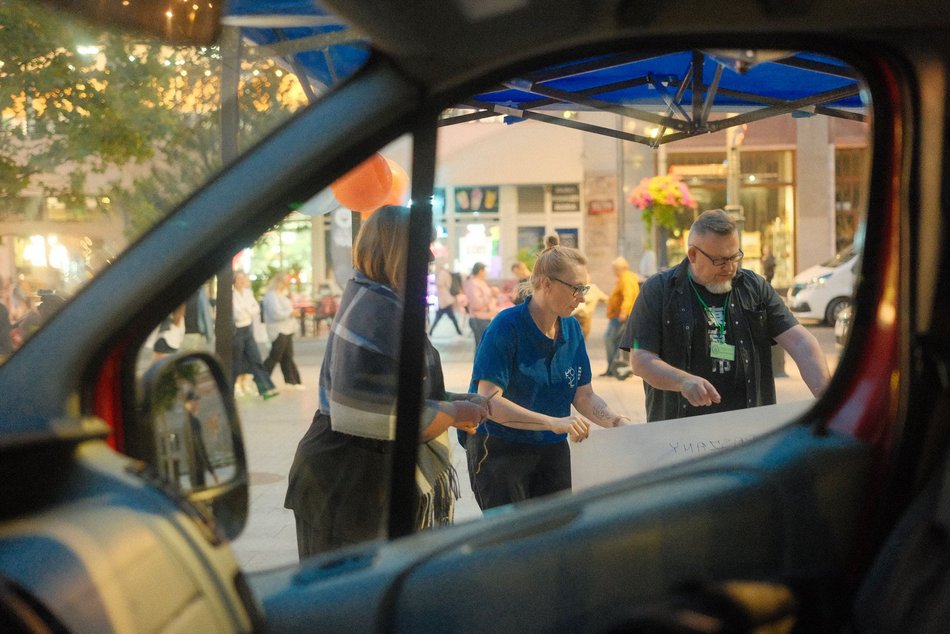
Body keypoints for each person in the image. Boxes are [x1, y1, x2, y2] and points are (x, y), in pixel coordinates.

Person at [284, 205, 489, 558]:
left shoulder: (379, 298)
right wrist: (455, 410)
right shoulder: (377, 310)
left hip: (358, 482)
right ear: (396, 250)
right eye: (421, 247)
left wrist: (459, 403)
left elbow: (400, 389)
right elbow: (364, 411)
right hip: (349, 487)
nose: (428, 257)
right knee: (355, 604)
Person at [465, 234, 631, 511]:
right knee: (512, 543)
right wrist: (552, 422)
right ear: (546, 284)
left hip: (551, 448)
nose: (581, 298)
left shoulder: (572, 329)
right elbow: (489, 402)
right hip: (499, 450)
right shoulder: (506, 326)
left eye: (584, 289)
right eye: (575, 289)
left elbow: (584, 396)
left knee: (555, 536)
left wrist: (615, 421)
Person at [620, 209, 831, 423]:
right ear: (693, 254)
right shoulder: (658, 290)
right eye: (720, 260)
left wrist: (828, 398)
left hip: (748, 425)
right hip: (679, 433)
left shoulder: (754, 287)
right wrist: (683, 381)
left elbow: (801, 342)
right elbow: (641, 360)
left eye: (734, 257)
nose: (730, 268)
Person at [232, 270, 279, 400]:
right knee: (236, 362)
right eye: (238, 279)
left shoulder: (248, 293)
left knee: (256, 358)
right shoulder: (231, 295)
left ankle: (266, 388)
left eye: (243, 279)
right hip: (237, 332)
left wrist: (246, 311)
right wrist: (248, 310)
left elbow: (256, 309)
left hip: (248, 329)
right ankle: (230, 389)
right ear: (234, 281)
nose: (241, 281)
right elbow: (237, 313)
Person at [262, 273, 304, 389]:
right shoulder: (271, 296)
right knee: (275, 356)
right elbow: (275, 313)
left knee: (287, 356)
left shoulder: (281, 295)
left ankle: (292, 381)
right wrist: (290, 313)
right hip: (278, 330)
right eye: (286, 281)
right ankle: (262, 380)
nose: (288, 284)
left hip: (286, 329)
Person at [602, 256, 639, 379]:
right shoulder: (624, 278)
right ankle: (613, 368)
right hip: (619, 315)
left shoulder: (626, 279)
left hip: (621, 316)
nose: (613, 271)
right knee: (617, 341)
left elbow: (628, 296)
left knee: (609, 339)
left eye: (614, 269)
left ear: (620, 268)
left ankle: (615, 367)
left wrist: (623, 311)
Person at [462, 262, 498, 348]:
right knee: (481, 347)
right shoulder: (473, 284)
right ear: (480, 271)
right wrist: (491, 295)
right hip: (478, 318)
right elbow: (476, 304)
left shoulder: (480, 282)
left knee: (484, 346)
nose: (486, 273)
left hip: (484, 317)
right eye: (485, 271)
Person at [429, 263, 463, 336]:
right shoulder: (446, 274)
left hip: (445, 301)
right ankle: (459, 331)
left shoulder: (442, 274)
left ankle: (459, 331)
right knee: (448, 317)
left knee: (441, 317)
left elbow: (439, 283)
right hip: (446, 301)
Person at [570, 275, 608, 340]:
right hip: (579, 318)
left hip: (582, 318)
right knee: (578, 340)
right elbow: (606, 299)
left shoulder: (591, 288)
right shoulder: (590, 289)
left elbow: (605, 299)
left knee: (578, 340)